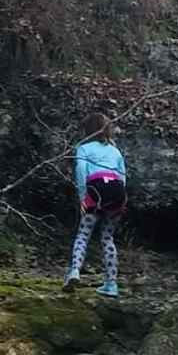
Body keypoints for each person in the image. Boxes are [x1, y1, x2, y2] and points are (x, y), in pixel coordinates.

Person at [65, 115, 126, 297]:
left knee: (84, 233)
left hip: (95, 189)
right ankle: (111, 284)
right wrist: (121, 200)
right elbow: (122, 176)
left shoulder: (83, 148)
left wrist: (83, 197)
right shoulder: (115, 152)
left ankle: (75, 271)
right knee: (107, 237)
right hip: (116, 192)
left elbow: (81, 170)